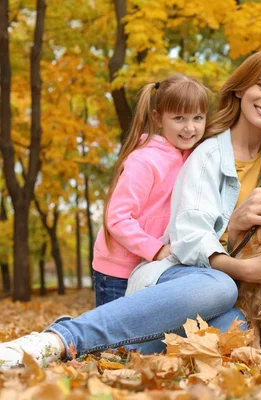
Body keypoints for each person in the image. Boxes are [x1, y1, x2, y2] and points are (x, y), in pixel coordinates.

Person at [0, 49, 261, 370]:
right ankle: (58, 339)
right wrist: (241, 255)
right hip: (184, 279)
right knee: (218, 286)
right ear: (240, 90)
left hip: (240, 298)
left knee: (236, 324)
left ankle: (122, 349)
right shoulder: (205, 153)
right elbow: (188, 239)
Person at [92, 74, 209, 307]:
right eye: (179, 118)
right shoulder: (145, 161)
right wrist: (155, 250)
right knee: (113, 339)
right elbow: (117, 218)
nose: (190, 127)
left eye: (198, 117)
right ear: (157, 118)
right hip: (118, 270)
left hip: (151, 267)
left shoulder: (192, 157)